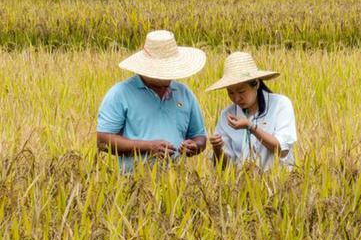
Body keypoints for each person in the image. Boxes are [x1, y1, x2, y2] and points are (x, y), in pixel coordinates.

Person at [97, 30, 207, 173]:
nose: (169, 75)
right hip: (134, 185)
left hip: (178, 184)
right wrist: (148, 147)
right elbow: (103, 141)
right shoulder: (120, 93)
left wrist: (195, 146)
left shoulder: (184, 93)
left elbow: (200, 136)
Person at [206, 52, 297, 171]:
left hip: (279, 185)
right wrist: (217, 149)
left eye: (241, 92)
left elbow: (281, 149)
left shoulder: (280, 105)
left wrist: (250, 127)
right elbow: (226, 169)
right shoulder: (227, 115)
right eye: (231, 93)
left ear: (256, 84)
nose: (236, 98)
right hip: (242, 186)